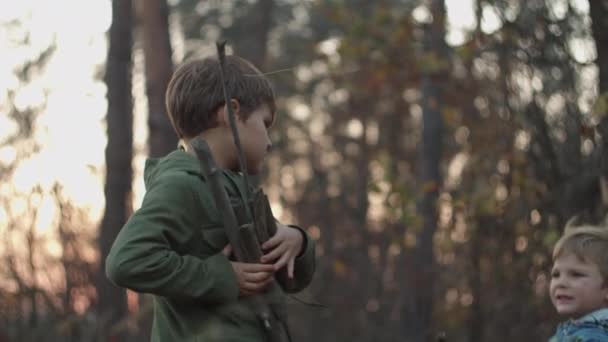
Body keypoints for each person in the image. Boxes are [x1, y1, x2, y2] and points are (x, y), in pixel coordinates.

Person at [105, 54, 316, 341]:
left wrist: (297, 241)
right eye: (265, 123)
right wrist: (222, 277)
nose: (269, 141)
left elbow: (289, 279)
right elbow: (126, 261)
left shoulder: (241, 190)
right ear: (231, 112)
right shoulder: (181, 186)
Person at [548, 218, 608, 341]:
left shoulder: (595, 337)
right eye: (556, 274)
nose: (561, 283)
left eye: (576, 274)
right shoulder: (572, 331)